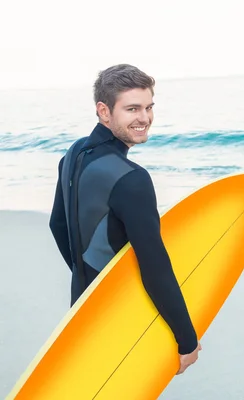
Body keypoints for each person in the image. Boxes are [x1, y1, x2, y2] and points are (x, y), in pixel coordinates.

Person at [49, 63, 201, 375]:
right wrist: (186, 339)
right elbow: (154, 265)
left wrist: (87, 278)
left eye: (148, 107)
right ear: (104, 111)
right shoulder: (132, 179)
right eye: (132, 108)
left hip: (82, 307)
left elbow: (58, 226)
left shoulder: (73, 154)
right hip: (118, 314)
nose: (144, 118)